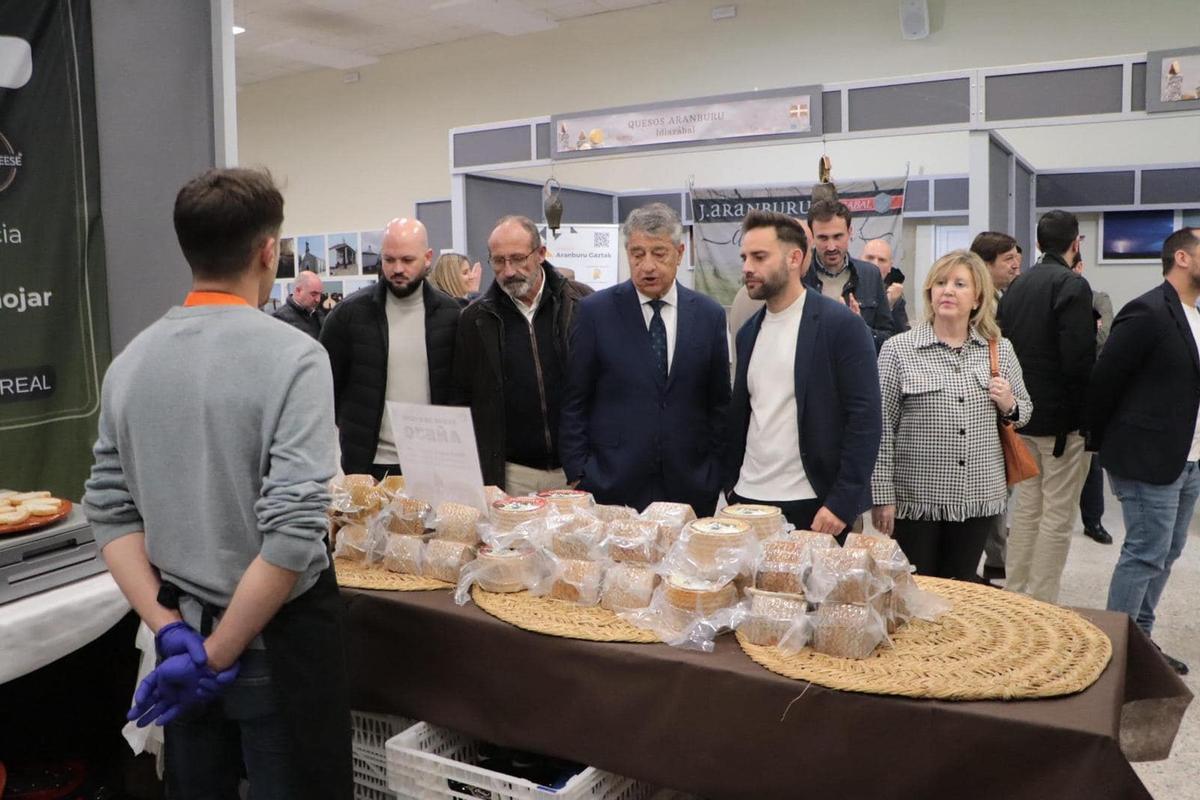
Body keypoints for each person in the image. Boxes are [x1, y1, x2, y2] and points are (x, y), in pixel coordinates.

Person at [82, 168, 350, 799]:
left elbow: (110, 513)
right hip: (272, 644)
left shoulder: (130, 363)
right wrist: (218, 654)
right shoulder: (295, 357)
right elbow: (293, 534)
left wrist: (170, 630)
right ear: (268, 251)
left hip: (181, 644)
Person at [871, 250, 1032, 580]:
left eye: (960, 284)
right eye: (940, 283)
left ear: (978, 298)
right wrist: (882, 496)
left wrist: (1008, 403)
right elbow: (882, 429)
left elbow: (1024, 412)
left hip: (978, 497)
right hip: (916, 500)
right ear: (930, 292)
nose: (947, 291)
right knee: (917, 588)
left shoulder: (999, 349)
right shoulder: (898, 349)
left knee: (961, 585)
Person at [561, 203, 729, 515]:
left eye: (659, 253)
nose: (647, 266)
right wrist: (578, 473)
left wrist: (716, 473)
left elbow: (719, 404)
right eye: (637, 254)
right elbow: (575, 400)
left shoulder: (710, 316)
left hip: (691, 486)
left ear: (679, 253)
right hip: (612, 484)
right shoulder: (595, 312)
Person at [725, 210, 881, 534]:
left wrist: (841, 503)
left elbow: (865, 420)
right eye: (744, 257)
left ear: (794, 258)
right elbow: (744, 415)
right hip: (747, 499)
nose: (747, 267)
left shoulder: (841, 326)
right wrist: (730, 486)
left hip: (814, 505)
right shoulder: (749, 332)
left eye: (759, 257)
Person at [1088, 227, 1200, 675]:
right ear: (1182, 258)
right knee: (1145, 552)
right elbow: (1105, 380)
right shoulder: (1148, 310)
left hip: (1188, 457)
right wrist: (1106, 445)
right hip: (1147, 457)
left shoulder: (1195, 315)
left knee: (1167, 552)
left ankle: (1142, 641)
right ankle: (1118, 651)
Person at [997, 210, 1095, 603]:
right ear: (1075, 244)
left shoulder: (1017, 286)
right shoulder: (1073, 285)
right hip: (1062, 425)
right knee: (1057, 514)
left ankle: (1016, 592)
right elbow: (1078, 361)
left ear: (1037, 244)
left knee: (1026, 509)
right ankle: (1041, 601)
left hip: (1022, 417)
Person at [455, 215, 592, 494]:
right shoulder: (474, 320)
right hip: (511, 475)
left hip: (578, 470)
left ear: (541, 254)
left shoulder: (583, 303)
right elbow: (462, 398)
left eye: (518, 259)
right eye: (499, 261)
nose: (508, 271)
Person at [319, 218, 460, 480]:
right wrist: (352, 429)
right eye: (389, 259)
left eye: (407, 260)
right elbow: (326, 388)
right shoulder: (348, 315)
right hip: (368, 464)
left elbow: (460, 391)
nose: (397, 269)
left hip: (434, 464)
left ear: (428, 258)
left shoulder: (451, 315)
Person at [969, 230, 1023, 581]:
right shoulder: (980, 307)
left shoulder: (1008, 297)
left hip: (1003, 403)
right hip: (979, 411)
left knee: (999, 492)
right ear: (985, 265)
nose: (1016, 265)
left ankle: (994, 561)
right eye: (1008, 259)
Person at [803, 200, 895, 351]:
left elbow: (888, 340)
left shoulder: (870, 275)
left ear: (850, 232)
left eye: (838, 236)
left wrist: (860, 328)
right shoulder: (799, 275)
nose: (831, 247)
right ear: (812, 237)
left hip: (856, 364)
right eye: (823, 238)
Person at [1072, 252, 1115, 545]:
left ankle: (1093, 521)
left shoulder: (1098, 299)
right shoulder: (1050, 298)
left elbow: (1105, 337)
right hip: (1057, 390)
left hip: (1089, 386)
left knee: (1092, 461)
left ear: (1080, 267)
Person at [862, 238, 909, 332]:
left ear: (890, 267)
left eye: (882, 260)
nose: (875, 264)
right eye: (870, 258)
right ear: (860, 260)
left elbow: (903, 336)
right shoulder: (847, 285)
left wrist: (890, 304)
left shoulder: (893, 295)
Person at [271, 269, 325, 338]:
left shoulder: (318, 314)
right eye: (313, 294)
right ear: (298, 291)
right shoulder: (280, 319)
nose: (318, 299)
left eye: (320, 294)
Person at [971, 231, 1022, 300]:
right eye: (1009, 258)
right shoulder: (975, 300)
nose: (1016, 265)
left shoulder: (1002, 294)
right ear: (984, 265)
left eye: (1016, 257)